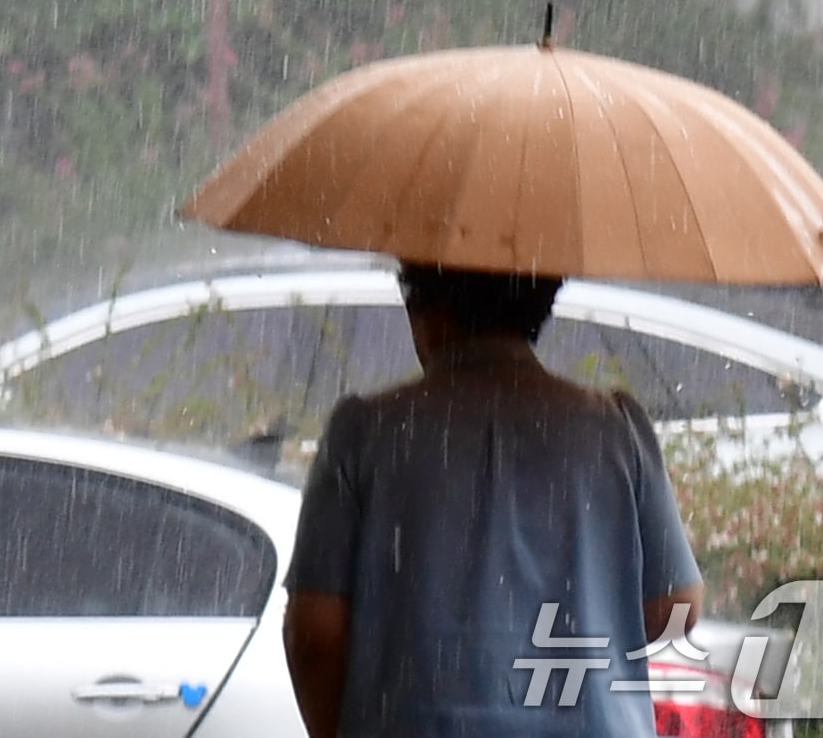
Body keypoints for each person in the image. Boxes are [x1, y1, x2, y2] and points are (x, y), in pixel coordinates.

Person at [282, 263, 704, 737]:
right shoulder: (615, 429)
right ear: (540, 302)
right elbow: (677, 603)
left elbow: (315, 632)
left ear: (428, 304)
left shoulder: (367, 432)